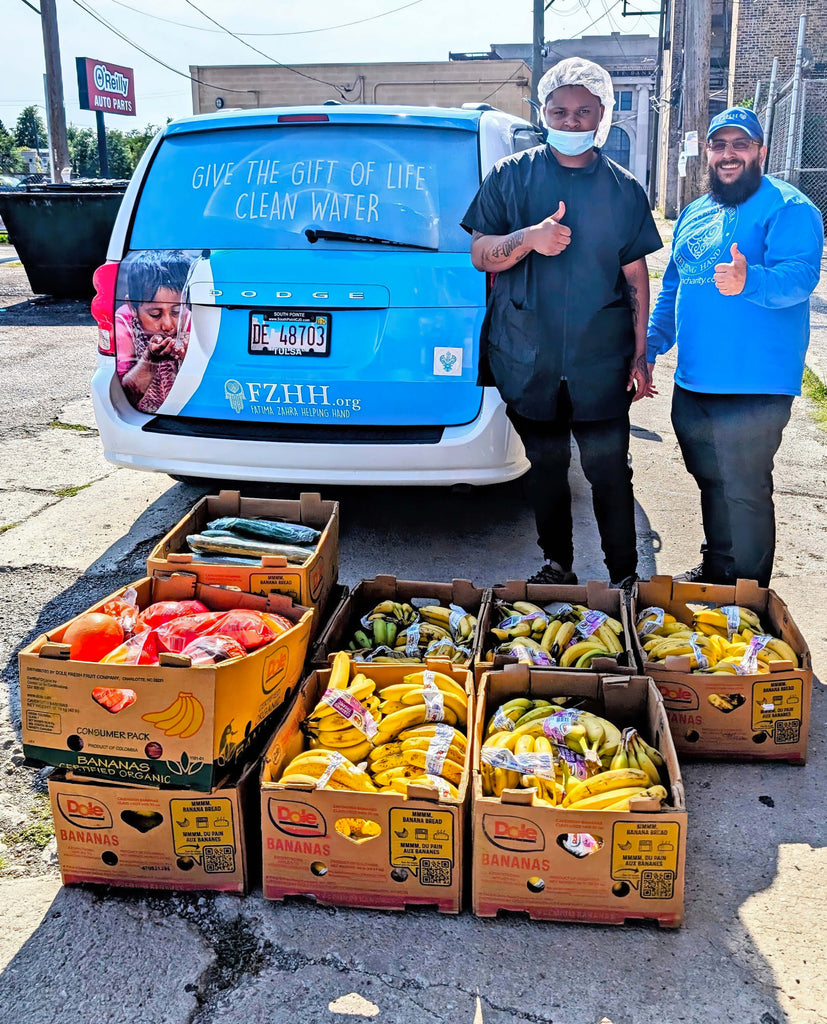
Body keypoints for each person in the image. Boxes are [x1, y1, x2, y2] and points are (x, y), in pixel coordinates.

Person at [461, 56, 662, 589]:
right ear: (543, 113)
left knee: (609, 470)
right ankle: (558, 565)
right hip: (528, 356)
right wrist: (529, 239)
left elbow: (635, 276)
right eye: (560, 111)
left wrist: (640, 356)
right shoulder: (510, 177)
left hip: (600, 360)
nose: (571, 121)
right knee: (546, 466)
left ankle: (624, 576)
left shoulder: (623, 189)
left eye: (583, 112)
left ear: (602, 115)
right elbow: (480, 253)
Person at [647, 107, 823, 587]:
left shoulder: (788, 206)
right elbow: (674, 288)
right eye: (719, 145)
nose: (729, 154)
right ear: (708, 152)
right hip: (694, 380)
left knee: (744, 490)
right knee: (710, 479)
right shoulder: (695, 211)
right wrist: (650, 347)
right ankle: (719, 565)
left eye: (740, 144)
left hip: (755, 384)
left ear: (760, 151)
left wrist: (751, 281)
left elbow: (801, 277)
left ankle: (746, 594)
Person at [115, 249, 194, 414]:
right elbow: (121, 398)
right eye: (155, 314)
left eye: (176, 312)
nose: (168, 325)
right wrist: (149, 360)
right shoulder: (124, 324)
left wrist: (193, 359)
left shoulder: (190, 322)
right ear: (132, 307)